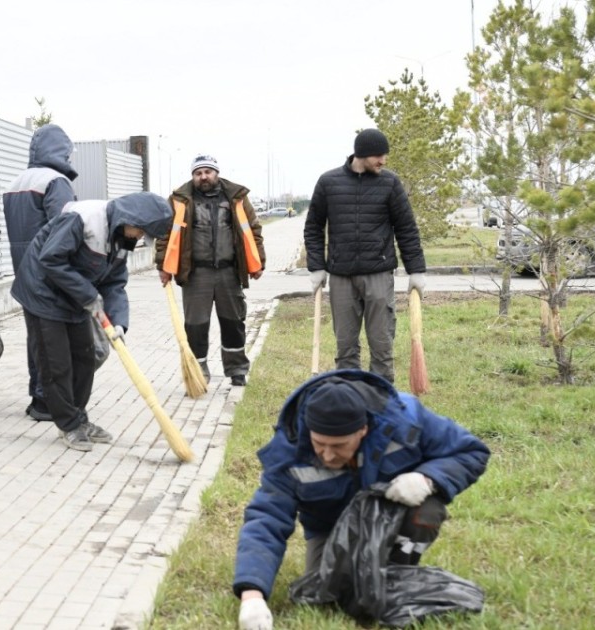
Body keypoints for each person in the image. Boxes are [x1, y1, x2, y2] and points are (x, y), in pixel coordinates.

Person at [232, 369, 490, 630]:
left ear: (363, 429)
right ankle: (367, 577)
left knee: (427, 512)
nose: (328, 456)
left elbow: (471, 451)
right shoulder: (288, 452)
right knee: (330, 594)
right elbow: (266, 519)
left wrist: (428, 479)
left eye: (339, 445)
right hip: (330, 529)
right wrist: (252, 595)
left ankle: (391, 570)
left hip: (393, 514)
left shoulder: (404, 418)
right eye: (320, 443)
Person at [11, 192, 172, 452]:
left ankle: (79, 418)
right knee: (57, 363)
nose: (140, 237)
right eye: (141, 231)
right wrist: (88, 295)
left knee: (85, 357)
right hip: (43, 294)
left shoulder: (121, 237)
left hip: (75, 297)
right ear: (132, 218)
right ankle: (68, 425)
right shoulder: (84, 219)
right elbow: (51, 259)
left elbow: (115, 282)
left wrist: (118, 321)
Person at [304, 128, 426, 383]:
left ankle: (381, 398)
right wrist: (316, 266)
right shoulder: (329, 182)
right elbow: (314, 227)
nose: (384, 161)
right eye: (379, 156)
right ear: (362, 154)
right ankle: (350, 398)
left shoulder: (390, 183)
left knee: (382, 343)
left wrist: (416, 270)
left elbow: (406, 228)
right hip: (341, 276)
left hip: (378, 274)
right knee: (345, 346)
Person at [155, 155, 265, 386]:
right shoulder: (180, 200)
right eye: (198, 173)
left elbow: (253, 230)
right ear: (193, 176)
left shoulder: (236, 198)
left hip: (229, 272)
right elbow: (165, 235)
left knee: (233, 323)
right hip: (195, 275)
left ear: (216, 173)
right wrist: (163, 266)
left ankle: (237, 370)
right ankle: (198, 373)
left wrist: (258, 262)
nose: (203, 176)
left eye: (208, 171)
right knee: (195, 326)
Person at [3, 124, 78, 422]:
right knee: (53, 340)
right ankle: (48, 400)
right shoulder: (56, 181)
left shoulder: (16, 182)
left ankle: (38, 395)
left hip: (22, 269)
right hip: (49, 271)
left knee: (36, 337)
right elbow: (64, 229)